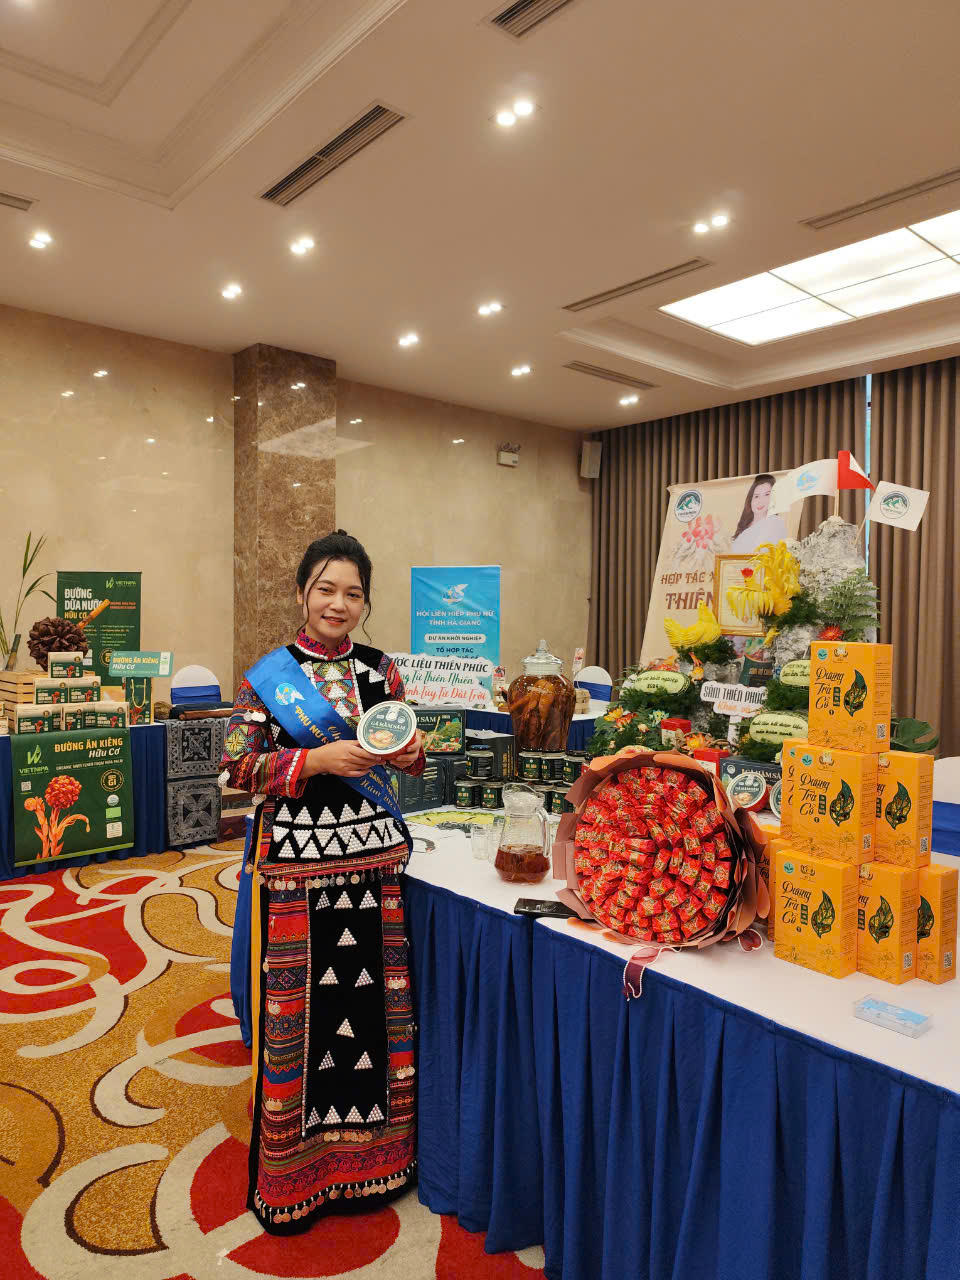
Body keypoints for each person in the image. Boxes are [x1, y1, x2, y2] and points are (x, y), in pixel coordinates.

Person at [221, 530, 425, 1234]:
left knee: (375, 1015)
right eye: (326, 589)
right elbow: (236, 767)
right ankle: (295, 1177)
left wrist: (413, 752)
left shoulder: (382, 671)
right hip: (295, 875)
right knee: (298, 1022)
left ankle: (377, 1164)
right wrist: (312, 762)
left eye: (353, 593)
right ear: (303, 592)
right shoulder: (266, 677)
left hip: (373, 869)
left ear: (366, 602)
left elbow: (405, 757)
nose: (339, 604)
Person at [730, 473, 789, 553]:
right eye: (756, 496)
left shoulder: (775, 522)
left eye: (767, 495)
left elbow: (762, 553)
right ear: (750, 499)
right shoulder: (745, 525)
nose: (760, 501)